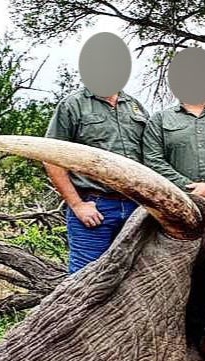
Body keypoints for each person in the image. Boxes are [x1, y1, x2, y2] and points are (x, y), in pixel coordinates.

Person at [44, 86, 149, 273]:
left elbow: (151, 155)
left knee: (133, 276)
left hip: (136, 208)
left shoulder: (135, 106)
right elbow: (51, 157)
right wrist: (77, 205)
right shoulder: (73, 105)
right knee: (84, 278)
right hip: (95, 207)